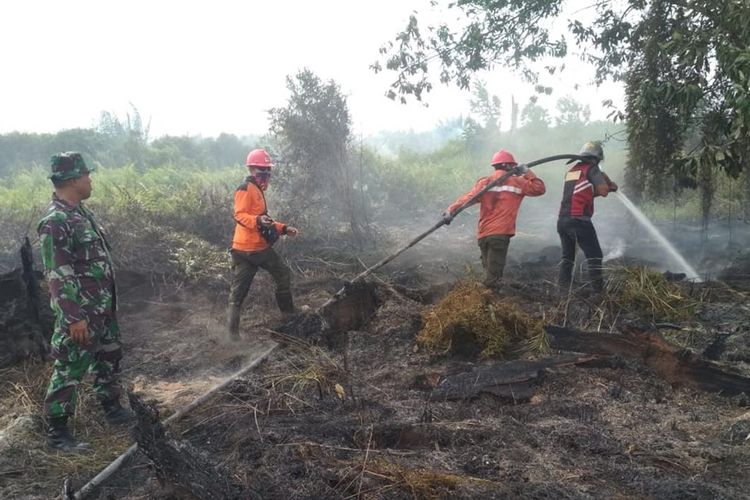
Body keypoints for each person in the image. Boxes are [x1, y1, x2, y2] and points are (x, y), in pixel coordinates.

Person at [38, 152, 134, 453]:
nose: (90, 180)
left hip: (103, 308)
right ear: (72, 180)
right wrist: (73, 318)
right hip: (81, 315)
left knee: (109, 358)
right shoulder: (56, 222)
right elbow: (58, 275)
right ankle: (57, 433)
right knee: (69, 369)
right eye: (86, 176)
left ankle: (112, 409)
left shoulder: (81, 214)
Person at [442, 150, 546, 289]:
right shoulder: (518, 183)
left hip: (483, 235)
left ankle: (481, 301)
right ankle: (482, 301)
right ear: (509, 166)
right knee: (493, 280)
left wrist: (450, 210)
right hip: (500, 234)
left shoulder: (485, 182)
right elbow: (539, 189)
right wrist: (527, 172)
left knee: (489, 273)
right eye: (512, 166)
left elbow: (468, 198)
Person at [228, 149, 299, 339]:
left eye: (268, 171)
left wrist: (283, 229)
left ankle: (288, 318)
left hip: (252, 249)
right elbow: (240, 215)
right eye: (262, 171)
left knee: (240, 294)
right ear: (251, 169)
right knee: (240, 294)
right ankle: (288, 316)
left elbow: (263, 219)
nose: (265, 175)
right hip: (250, 250)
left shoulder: (257, 190)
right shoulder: (245, 188)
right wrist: (258, 221)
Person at [557, 141, 618, 293]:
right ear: (597, 157)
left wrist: (605, 185)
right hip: (579, 221)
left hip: (563, 220)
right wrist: (609, 186)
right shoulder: (592, 168)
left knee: (568, 257)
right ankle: (598, 293)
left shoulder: (573, 170)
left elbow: (585, 192)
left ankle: (562, 290)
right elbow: (603, 191)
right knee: (595, 256)